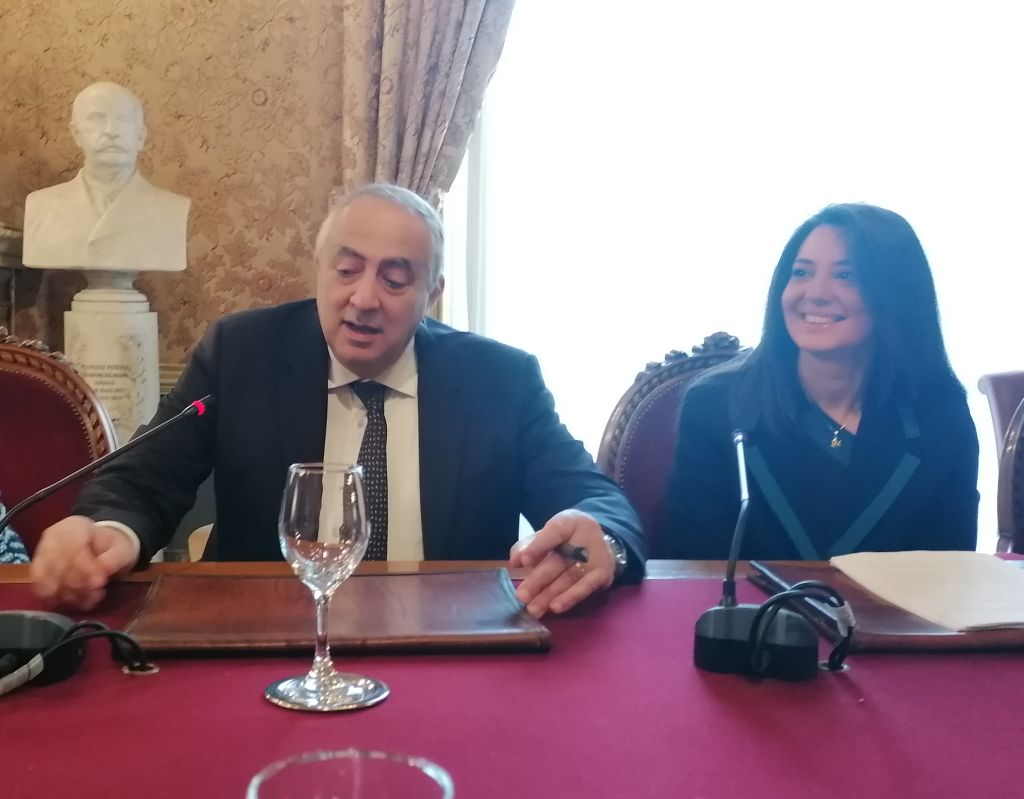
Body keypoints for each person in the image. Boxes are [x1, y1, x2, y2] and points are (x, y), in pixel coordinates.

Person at [30, 183, 644, 613]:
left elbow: (596, 502)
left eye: (395, 279)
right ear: (319, 268)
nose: (364, 298)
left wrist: (605, 541)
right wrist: (104, 530)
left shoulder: (500, 380)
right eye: (347, 270)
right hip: (267, 638)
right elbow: (143, 480)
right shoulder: (241, 353)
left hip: (450, 646)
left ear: (432, 292)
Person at [658, 203, 979, 560]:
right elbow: (693, 567)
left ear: (897, 295)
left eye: (845, 275)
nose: (816, 293)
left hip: (895, 601)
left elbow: (950, 569)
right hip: (746, 600)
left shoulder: (941, 414)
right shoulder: (715, 405)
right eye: (801, 273)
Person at [23, 81, 189, 272]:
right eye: (97, 118)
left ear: (141, 136)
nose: (111, 131)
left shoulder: (171, 209)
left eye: (123, 119)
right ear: (76, 133)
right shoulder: (41, 206)